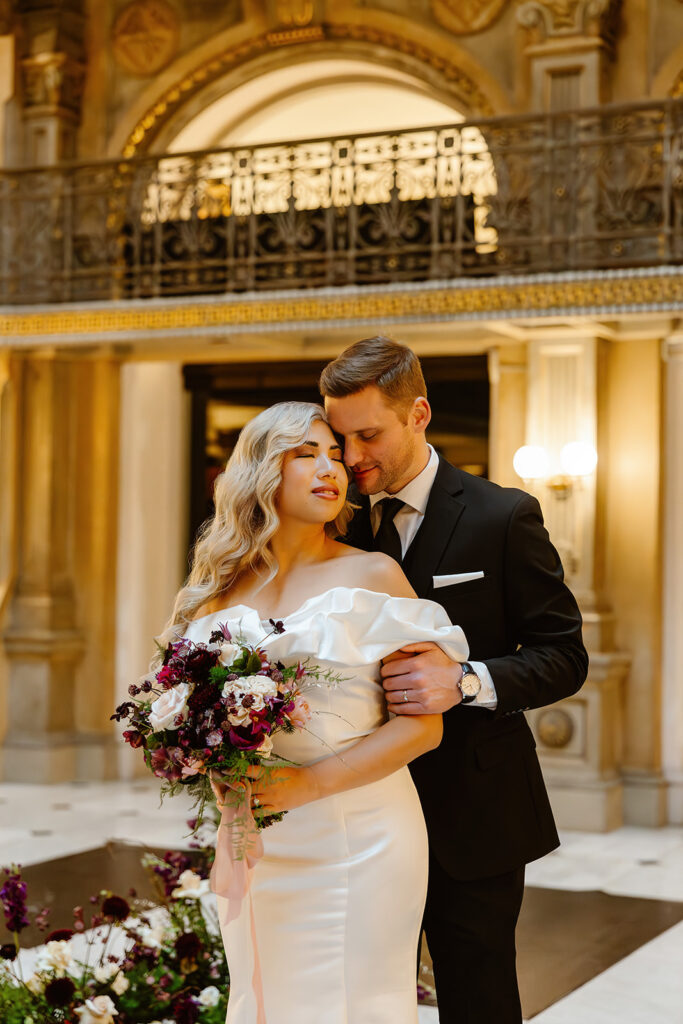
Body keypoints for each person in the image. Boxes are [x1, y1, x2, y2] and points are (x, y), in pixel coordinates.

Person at [160, 400, 470, 1024]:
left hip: (363, 837)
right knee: (264, 997)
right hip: (256, 840)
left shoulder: (374, 574)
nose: (330, 468)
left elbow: (423, 727)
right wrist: (205, 763)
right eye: (306, 455)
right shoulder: (216, 590)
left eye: (335, 456)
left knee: (357, 1003)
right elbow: (175, 713)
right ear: (261, 472)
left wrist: (307, 783)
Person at [320, 336, 589, 1024]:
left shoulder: (502, 516)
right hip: (359, 811)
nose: (351, 459)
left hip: (475, 815)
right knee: (367, 996)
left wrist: (466, 681)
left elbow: (563, 654)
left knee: (477, 996)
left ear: (417, 414)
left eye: (368, 435)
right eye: (340, 438)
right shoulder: (335, 524)